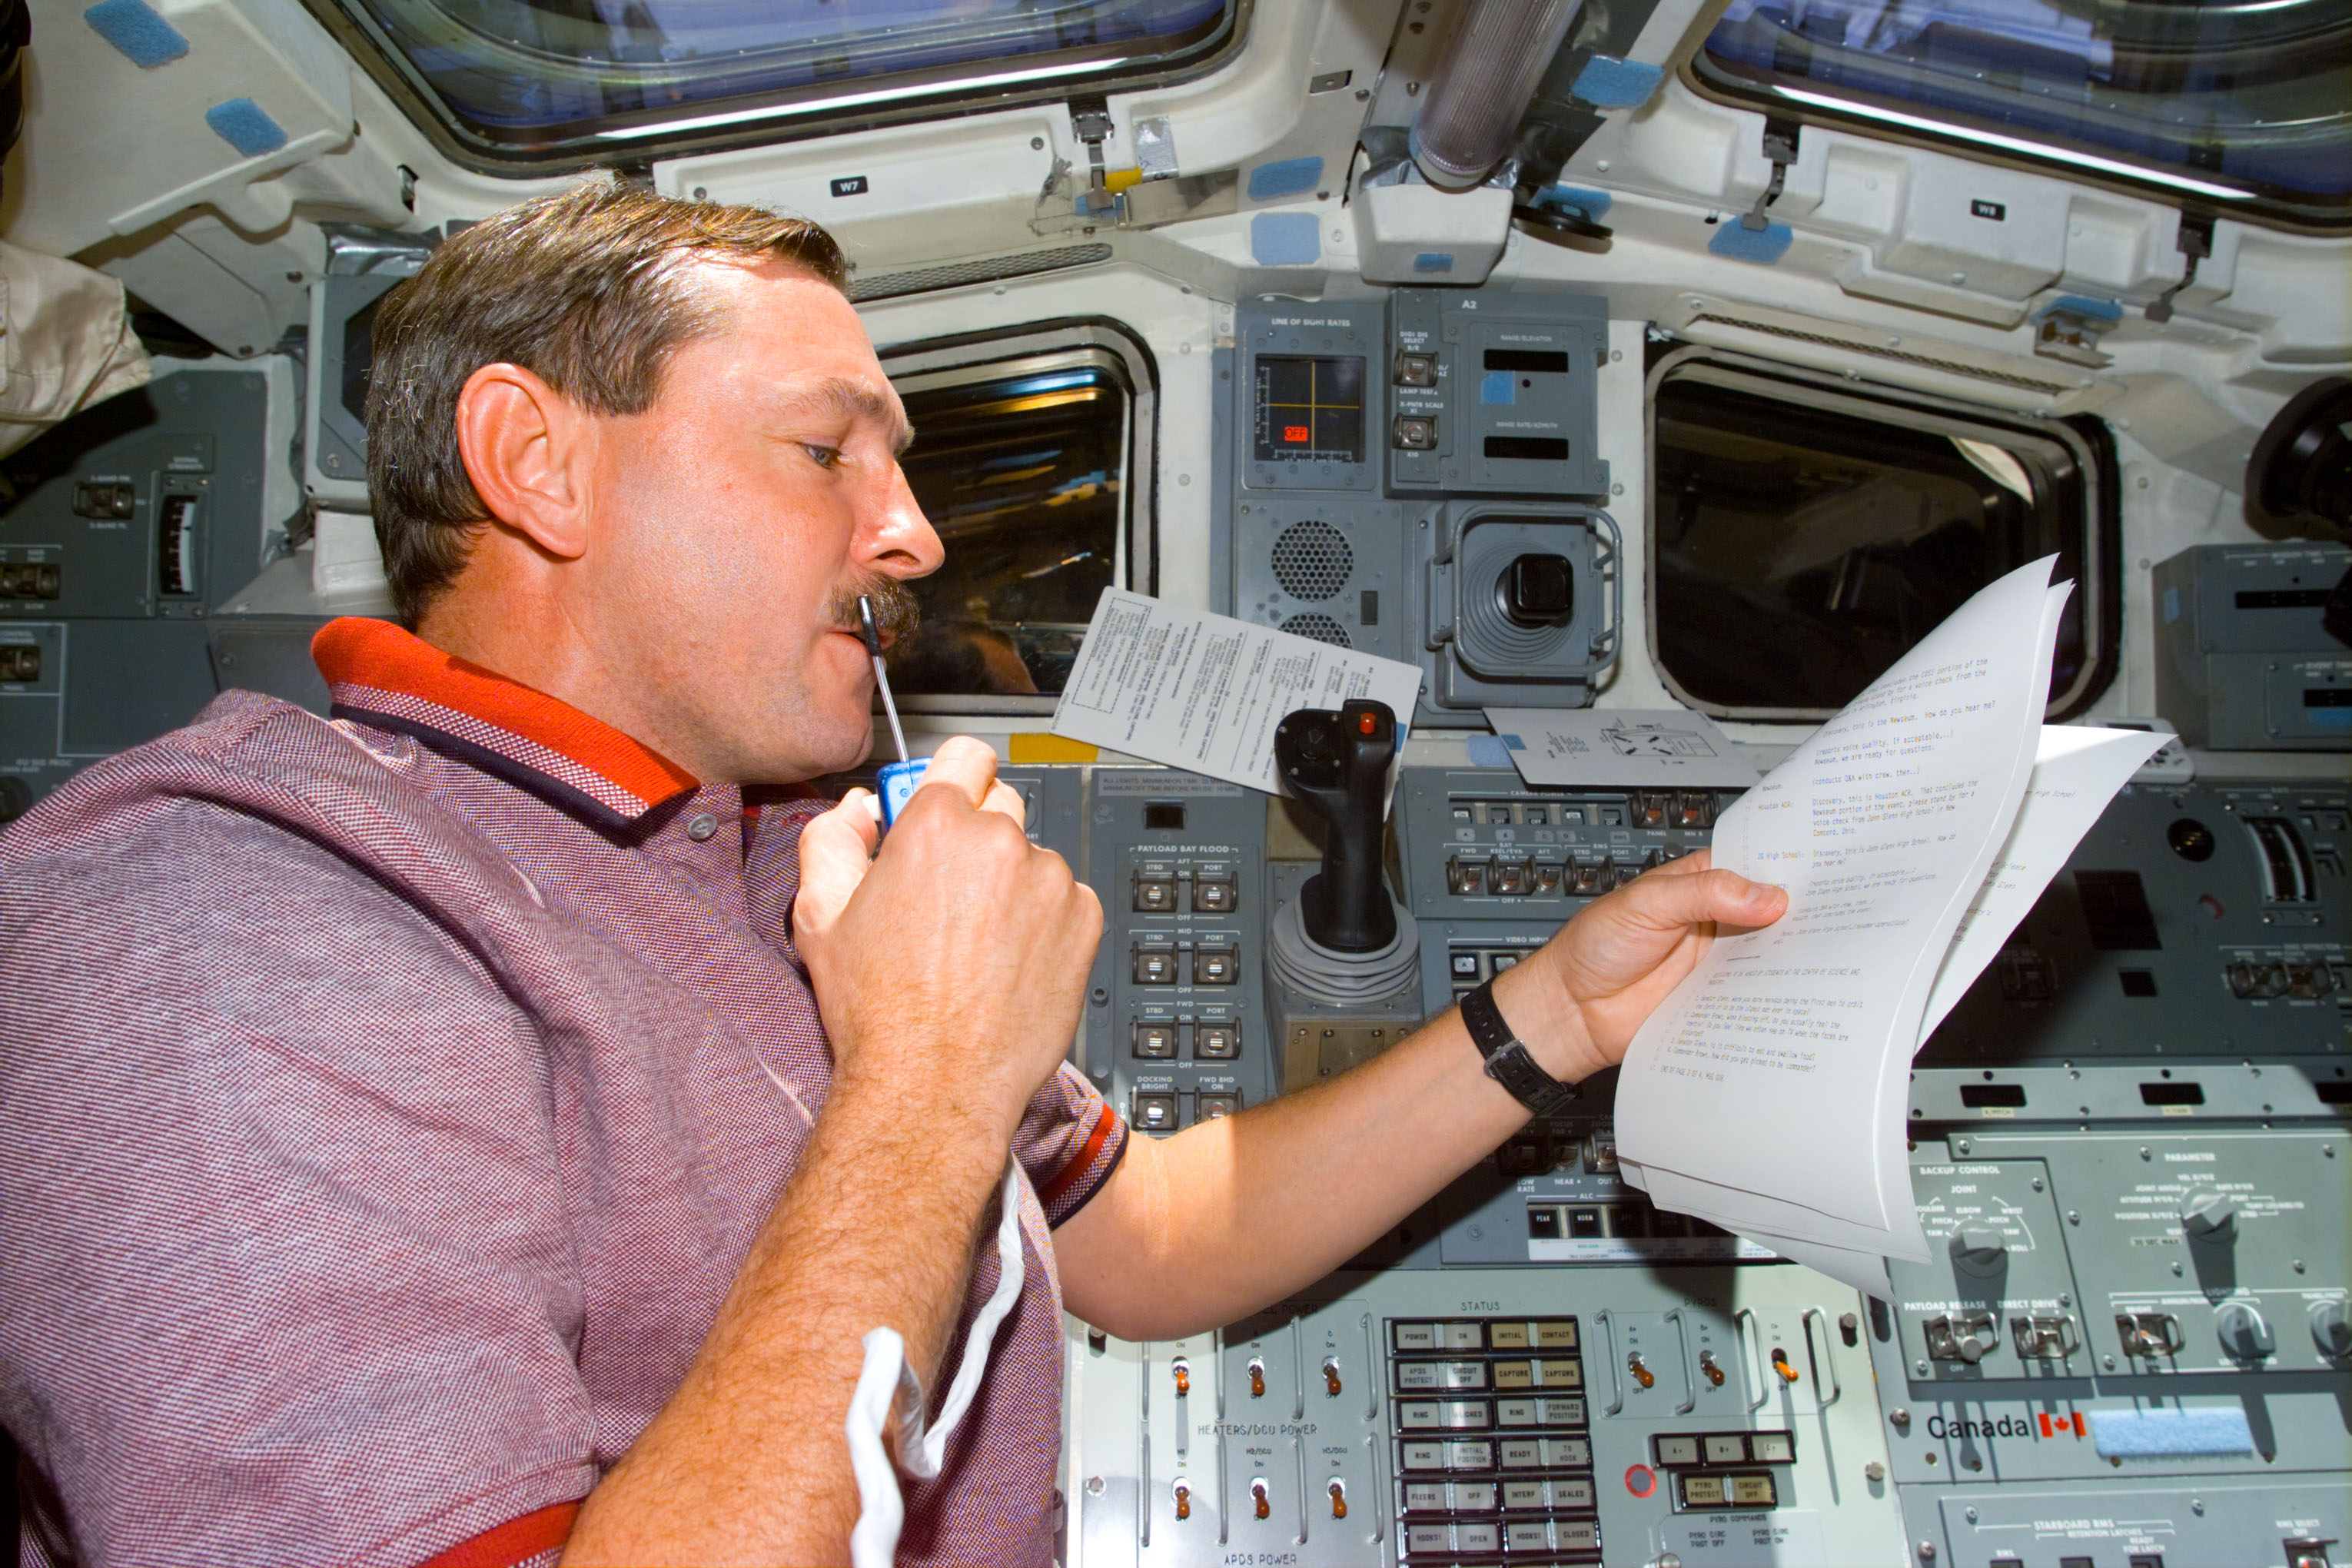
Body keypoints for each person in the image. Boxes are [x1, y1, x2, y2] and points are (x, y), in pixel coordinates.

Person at [0, 182, 1786, 1568]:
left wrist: (1555, 1012)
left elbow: (1145, 1239)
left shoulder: (777, 846)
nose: (913, 535)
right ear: (536, 462)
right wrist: (929, 1072)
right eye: (821, 452)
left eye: (905, 469)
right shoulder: (222, 921)